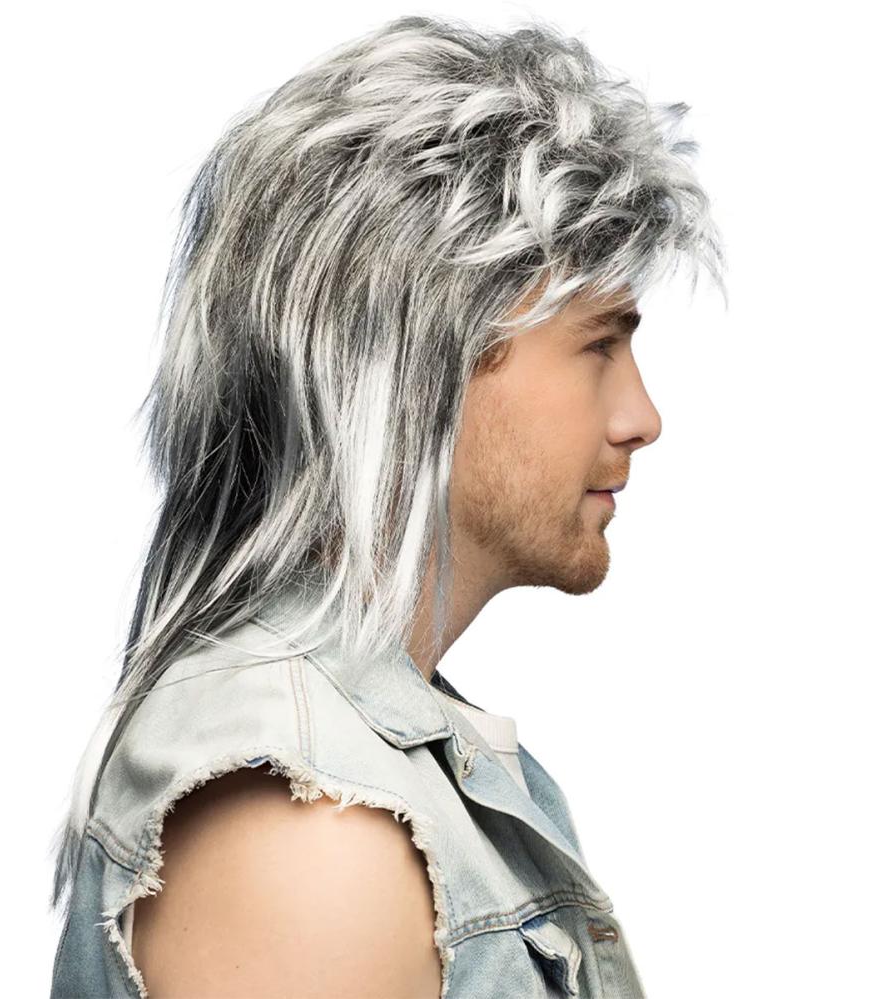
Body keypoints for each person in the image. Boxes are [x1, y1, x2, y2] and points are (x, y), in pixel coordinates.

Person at [48, 14, 726, 999]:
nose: (641, 417)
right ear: (415, 360)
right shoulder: (305, 829)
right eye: (597, 345)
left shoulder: (387, 769)